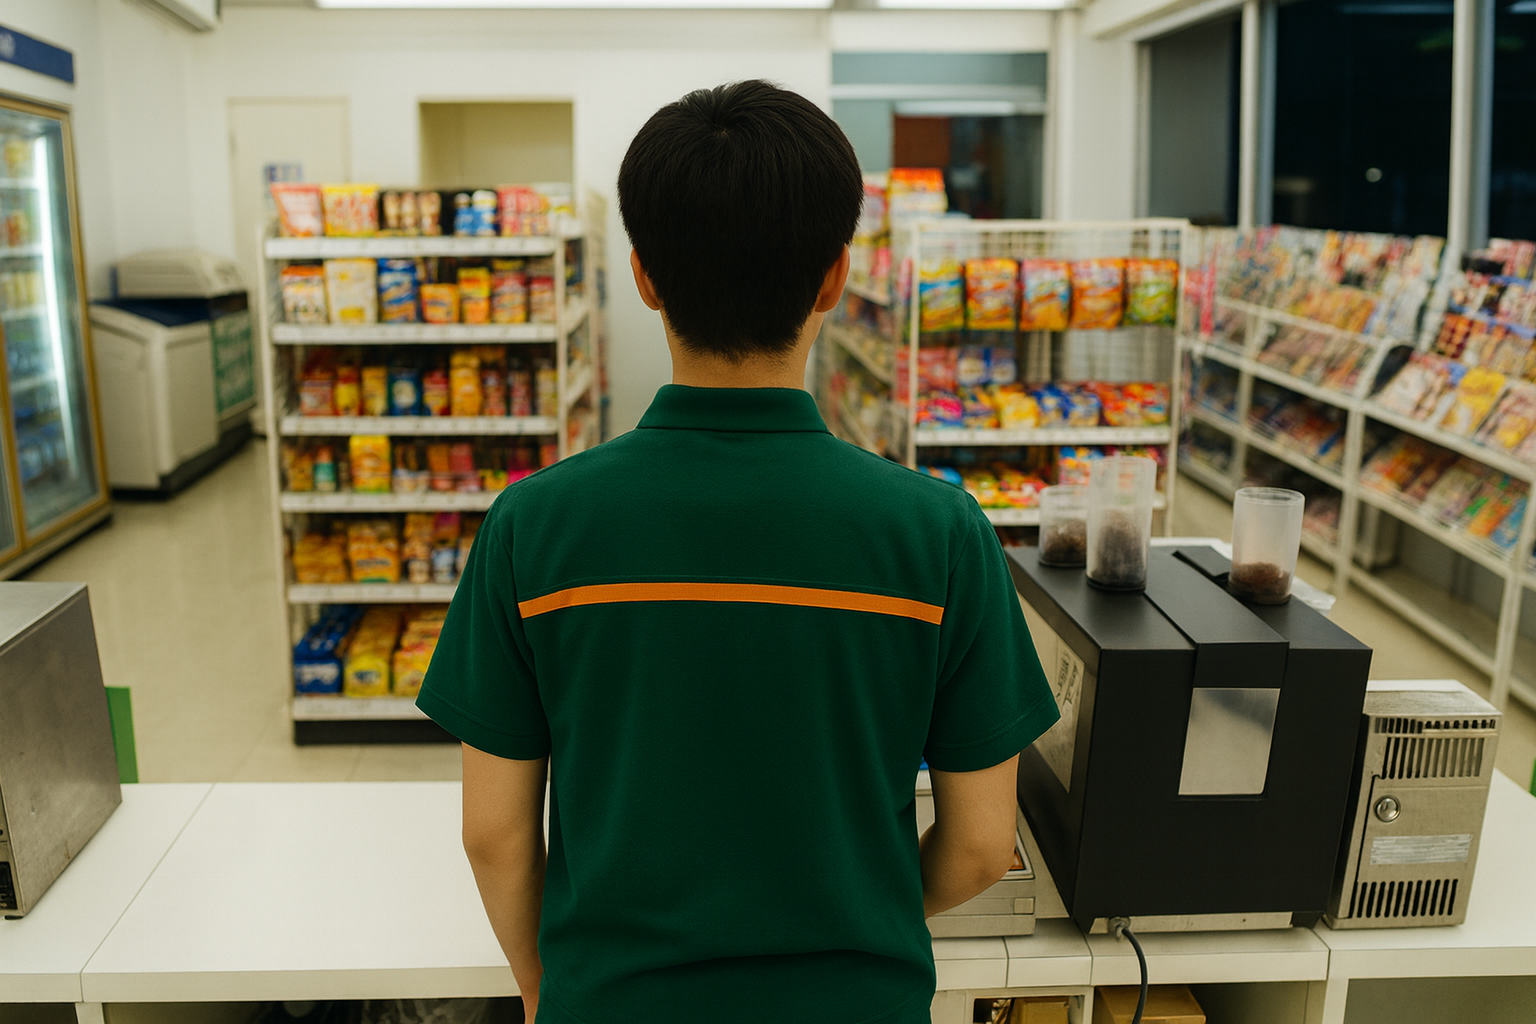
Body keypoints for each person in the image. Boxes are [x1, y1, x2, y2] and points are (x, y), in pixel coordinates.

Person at [415, 80, 1059, 1024]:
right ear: (835, 280)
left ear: (642, 277)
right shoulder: (939, 533)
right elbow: (976, 846)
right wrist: (856, 914)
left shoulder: (534, 526)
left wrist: (539, 981)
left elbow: (495, 834)